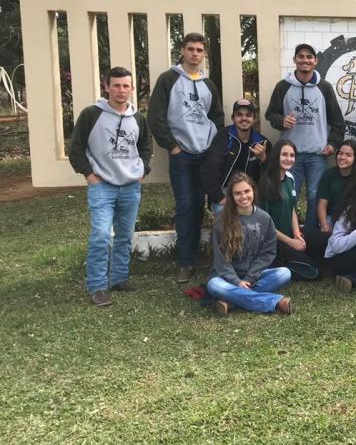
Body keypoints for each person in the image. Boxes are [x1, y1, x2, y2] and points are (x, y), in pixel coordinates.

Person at [69, 67, 152, 306]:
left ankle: (119, 278)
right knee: (101, 235)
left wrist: (142, 170)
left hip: (130, 187)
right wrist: (89, 174)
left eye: (126, 86)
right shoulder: (91, 114)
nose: (121, 90)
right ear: (107, 86)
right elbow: (75, 149)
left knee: (125, 236)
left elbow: (146, 146)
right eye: (116, 85)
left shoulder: (137, 118)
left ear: (132, 89)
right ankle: (97, 286)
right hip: (102, 186)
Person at [148, 32, 224, 283]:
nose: (195, 54)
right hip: (181, 156)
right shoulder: (168, 80)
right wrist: (172, 146)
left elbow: (217, 117)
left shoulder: (208, 85)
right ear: (182, 51)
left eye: (199, 50)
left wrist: (212, 148)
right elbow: (155, 117)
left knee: (203, 207)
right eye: (190, 49)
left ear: (204, 55)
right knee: (185, 206)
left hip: (205, 155)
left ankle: (207, 257)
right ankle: (186, 262)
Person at [265, 43, 344, 228]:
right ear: (294, 60)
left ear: (315, 61)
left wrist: (333, 143)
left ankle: (309, 234)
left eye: (309, 57)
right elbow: (270, 114)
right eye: (300, 56)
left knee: (314, 195)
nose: (305, 60)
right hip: (290, 155)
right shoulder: (282, 87)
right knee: (287, 195)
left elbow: (338, 121)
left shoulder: (324, 88)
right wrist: (281, 120)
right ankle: (288, 235)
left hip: (317, 154)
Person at [206, 173, 293, 316]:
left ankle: (231, 301)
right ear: (232, 197)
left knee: (284, 273)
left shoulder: (265, 218)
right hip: (225, 277)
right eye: (237, 193)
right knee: (214, 285)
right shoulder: (221, 221)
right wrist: (236, 281)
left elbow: (267, 254)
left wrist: (248, 278)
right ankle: (275, 302)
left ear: (253, 191)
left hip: (253, 275)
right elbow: (220, 260)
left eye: (247, 191)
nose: (243, 196)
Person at [258, 140, 325, 281]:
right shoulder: (266, 183)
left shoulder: (290, 178)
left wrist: (297, 235)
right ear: (276, 156)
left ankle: (299, 257)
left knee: (325, 240)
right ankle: (275, 264)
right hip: (274, 241)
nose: (289, 159)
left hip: (291, 234)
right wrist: (290, 241)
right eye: (284, 155)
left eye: (292, 155)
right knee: (315, 274)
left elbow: (292, 209)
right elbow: (264, 225)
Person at [201, 98, 270, 215]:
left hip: (250, 192)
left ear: (254, 119)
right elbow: (210, 169)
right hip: (226, 191)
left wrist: (263, 158)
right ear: (233, 118)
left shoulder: (262, 142)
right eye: (239, 115)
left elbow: (273, 175)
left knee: (260, 215)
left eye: (248, 115)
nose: (244, 118)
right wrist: (219, 197)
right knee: (225, 214)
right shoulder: (223, 137)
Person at [317, 139, 356, 233]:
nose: (342, 157)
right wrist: (324, 225)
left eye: (348, 155)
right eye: (340, 153)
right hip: (332, 218)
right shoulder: (329, 174)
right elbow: (322, 204)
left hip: (355, 220)